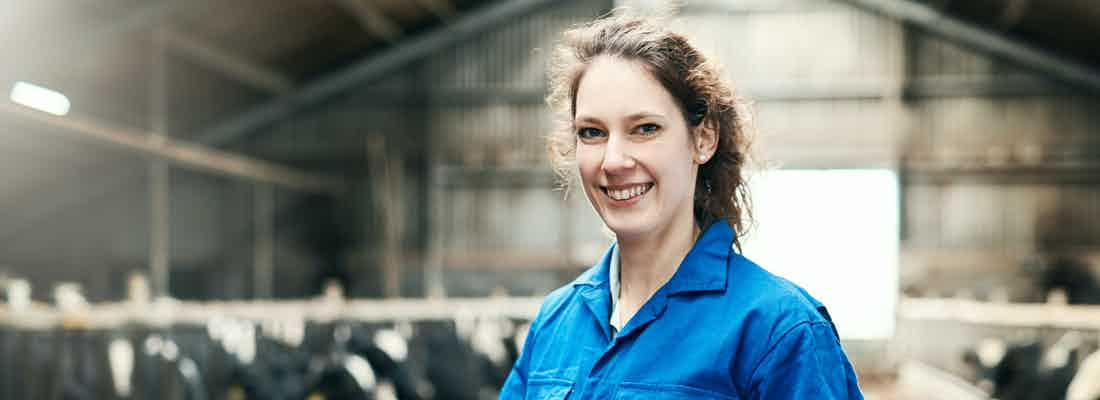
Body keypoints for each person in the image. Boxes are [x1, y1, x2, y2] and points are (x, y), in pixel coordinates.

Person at [500, 12, 864, 400]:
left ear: (703, 139)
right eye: (592, 132)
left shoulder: (778, 330)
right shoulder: (556, 322)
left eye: (645, 129)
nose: (613, 160)